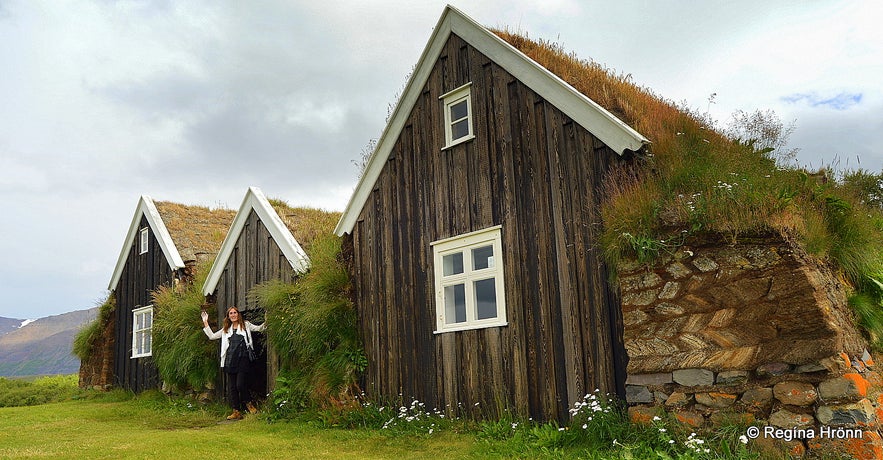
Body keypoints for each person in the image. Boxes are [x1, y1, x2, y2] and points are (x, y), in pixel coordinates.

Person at [201, 306, 265, 420]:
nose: (233, 315)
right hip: (230, 360)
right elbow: (212, 336)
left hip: (243, 358)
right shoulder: (226, 329)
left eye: (235, 312)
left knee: (240, 384)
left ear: (238, 314)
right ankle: (236, 411)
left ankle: (250, 405)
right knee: (232, 388)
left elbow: (260, 328)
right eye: (231, 313)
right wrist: (205, 322)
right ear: (228, 316)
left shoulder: (246, 325)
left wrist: (267, 319)